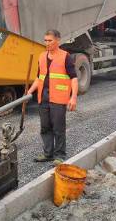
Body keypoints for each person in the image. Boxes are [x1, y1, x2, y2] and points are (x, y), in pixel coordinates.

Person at [27, 29, 78, 165]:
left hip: (59, 98)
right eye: (45, 40)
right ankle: (48, 154)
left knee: (58, 128)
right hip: (43, 98)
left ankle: (60, 155)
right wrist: (29, 92)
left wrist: (73, 98)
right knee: (45, 127)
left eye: (50, 40)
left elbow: (73, 78)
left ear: (58, 40)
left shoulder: (65, 56)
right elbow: (39, 78)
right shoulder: (42, 56)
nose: (47, 43)